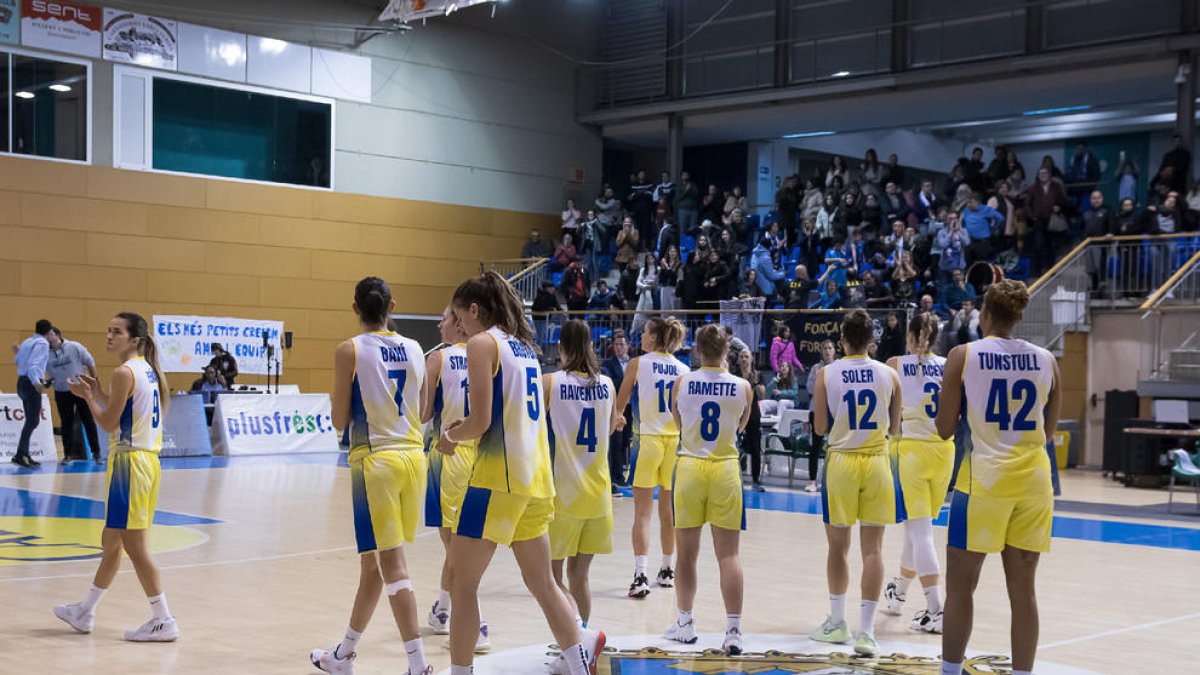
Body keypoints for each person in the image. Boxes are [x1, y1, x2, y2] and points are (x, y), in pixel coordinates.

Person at [436, 271, 605, 675]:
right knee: (544, 584)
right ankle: (580, 666)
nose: (459, 325)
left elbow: (478, 422)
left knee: (463, 584)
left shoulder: (482, 343)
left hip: (496, 480)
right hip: (536, 480)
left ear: (474, 310)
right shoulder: (525, 348)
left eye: (460, 316)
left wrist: (449, 436)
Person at [935, 279, 1061, 675]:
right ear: (1018, 316)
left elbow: (943, 428)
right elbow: (1050, 432)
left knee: (960, 588)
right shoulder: (1048, 360)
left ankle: (950, 672)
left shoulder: (963, 355)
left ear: (984, 314)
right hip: (1033, 484)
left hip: (984, 482)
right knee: (1023, 591)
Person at [309, 278, 432, 675]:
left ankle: (417, 665)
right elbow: (424, 408)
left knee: (392, 565)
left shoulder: (350, 350)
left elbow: (339, 420)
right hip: (414, 458)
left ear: (355, 308)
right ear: (392, 304)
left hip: (376, 461)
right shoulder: (416, 348)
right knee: (373, 564)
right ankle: (343, 654)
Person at [55, 312, 177, 641]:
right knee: (111, 542)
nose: (110, 336)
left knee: (135, 547)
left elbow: (109, 424)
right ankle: (85, 611)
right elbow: (123, 413)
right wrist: (98, 395)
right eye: (108, 331)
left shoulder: (125, 371)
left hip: (129, 465)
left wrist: (87, 399)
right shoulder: (145, 369)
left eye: (117, 332)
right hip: (142, 462)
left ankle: (163, 618)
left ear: (134, 339)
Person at [808, 309, 902, 658]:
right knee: (873, 550)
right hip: (878, 461)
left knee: (838, 548)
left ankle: (837, 622)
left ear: (843, 339)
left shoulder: (826, 373)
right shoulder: (889, 374)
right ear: (871, 341)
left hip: (842, 463)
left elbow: (819, 429)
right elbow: (895, 428)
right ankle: (866, 632)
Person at [663, 324, 752, 656]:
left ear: (698, 350)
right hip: (726, 468)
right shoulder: (743, 386)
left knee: (686, 554)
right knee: (729, 555)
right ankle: (733, 631)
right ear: (726, 350)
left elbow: (679, 423)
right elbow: (741, 425)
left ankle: (685, 624)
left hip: (689, 466)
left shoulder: (682, 382)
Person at [421, 307, 490, 652]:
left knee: (455, 546)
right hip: (482, 456)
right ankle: (443, 610)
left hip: (449, 452)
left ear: (459, 324)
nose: (439, 323)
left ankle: (476, 619)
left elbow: (423, 414)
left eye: (445, 318)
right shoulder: (489, 354)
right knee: (461, 542)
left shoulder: (438, 359)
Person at [882, 314, 953, 634]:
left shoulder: (895, 363)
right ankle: (898, 595)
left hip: (911, 451)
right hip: (944, 451)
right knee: (918, 529)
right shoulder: (951, 364)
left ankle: (937, 609)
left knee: (921, 533)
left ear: (909, 335)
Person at [544, 320, 615, 638]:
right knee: (580, 577)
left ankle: (575, 639)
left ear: (561, 347)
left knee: (550, 576)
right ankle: (580, 641)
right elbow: (612, 426)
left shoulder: (551, 382)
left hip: (565, 493)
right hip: (600, 494)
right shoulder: (609, 384)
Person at [611, 317, 688, 599]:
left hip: (647, 442)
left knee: (642, 514)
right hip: (675, 444)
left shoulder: (638, 363)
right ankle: (668, 569)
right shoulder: (683, 369)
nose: (640, 338)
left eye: (644, 333)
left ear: (654, 338)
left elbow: (619, 406)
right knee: (668, 514)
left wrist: (616, 421)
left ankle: (640, 575)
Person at [46, 326, 100, 463]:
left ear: (57, 334)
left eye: (50, 333)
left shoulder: (74, 346)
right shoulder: (45, 354)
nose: (47, 336)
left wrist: (94, 380)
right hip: (61, 391)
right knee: (66, 423)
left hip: (80, 389)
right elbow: (46, 372)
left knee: (88, 420)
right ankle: (68, 454)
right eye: (45, 335)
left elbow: (90, 361)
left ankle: (97, 452)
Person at [12, 319, 53, 468]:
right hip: (30, 383)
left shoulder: (28, 341)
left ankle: (24, 453)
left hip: (21, 382)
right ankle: (21, 454)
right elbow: (34, 364)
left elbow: (17, 360)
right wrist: (36, 382)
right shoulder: (42, 343)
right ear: (49, 332)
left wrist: (18, 351)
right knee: (33, 421)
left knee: (30, 420)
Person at [601, 331, 634, 492]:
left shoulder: (635, 363)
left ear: (628, 346)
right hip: (616, 408)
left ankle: (622, 476)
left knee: (627, 441)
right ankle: (616, 477)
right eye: (616, 345)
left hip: (631, 408)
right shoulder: (607, 364)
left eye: (622, 344)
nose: (619, 347)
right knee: (616, 442)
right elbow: (612, 383)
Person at [804, 339, 837, 493]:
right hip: (816, 410)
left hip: (834, 411)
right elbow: (810, 388)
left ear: (834, 351)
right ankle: (811, 480)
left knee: (834, 446)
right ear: (821, 351)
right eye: (824, 348)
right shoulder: (816, 368)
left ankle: (830, 479)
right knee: (815, 447)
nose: (827, 351)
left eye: (830, 348)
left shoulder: (839, 368)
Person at [731, 347, 766, 492]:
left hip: (753, 416)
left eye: (747, 356)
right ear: (738, 360)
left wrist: (756, 384)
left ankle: (756, 480)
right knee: (734, 447)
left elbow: (763, 395)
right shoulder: (734, 375)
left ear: (752, 359)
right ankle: (734, 478)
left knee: (756, 449)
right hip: (736, 415)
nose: (744, 359)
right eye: (742, 356)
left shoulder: (758, 375)